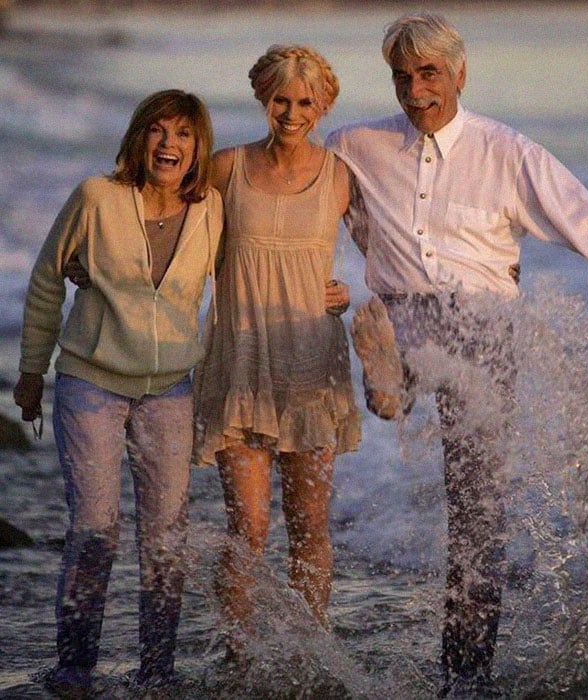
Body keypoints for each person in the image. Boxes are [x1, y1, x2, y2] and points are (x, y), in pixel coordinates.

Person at [326, 12, 588, 693]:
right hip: (403, 318)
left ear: (459, 74)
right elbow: (290, 186)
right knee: (393, 366)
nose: (415, 91)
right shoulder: (355, 145)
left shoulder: (506, 151)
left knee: (477, 511)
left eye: (429, 74)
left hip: (484, 330)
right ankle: (388, 381)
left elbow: (586, 215)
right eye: (403, 78)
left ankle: (464, 676)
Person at [13, 89, 223, 695]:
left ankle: (158, 667)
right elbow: (48, 280)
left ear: (198, 147)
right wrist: (31, 373)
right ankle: (75, 667)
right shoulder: (96, 198)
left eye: (183, 134)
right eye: (157, 131)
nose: (169, 144)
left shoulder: (211, 207)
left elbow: (249, 273)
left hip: (170, 390)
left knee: (166, 534)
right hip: (91, 382)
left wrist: (326, 294)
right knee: (95, 528)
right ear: (138, 138)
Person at [192, 45, 362, 652]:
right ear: (264, 97)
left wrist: (349, 293)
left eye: (305, 102)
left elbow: (391, 255)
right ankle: (238, 653)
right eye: (281, 99)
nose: (292, 112)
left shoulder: (341, 174)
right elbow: (167, 227)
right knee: (250, 528)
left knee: (311, 526)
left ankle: (309, 652)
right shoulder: (225, 167)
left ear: (324, 106)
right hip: (239, 363)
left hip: (312, 367)